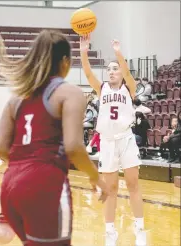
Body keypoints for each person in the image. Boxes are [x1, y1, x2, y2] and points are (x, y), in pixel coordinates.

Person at [0, 30, 109, 246]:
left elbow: (1, 148)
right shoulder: (69, 92)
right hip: (45, 185)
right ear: (64, 61)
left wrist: (24, 164)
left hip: (11, 185)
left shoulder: (17, 98)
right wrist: (95, 176)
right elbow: (73, 146)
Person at [80, 35, 146, 246]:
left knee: (133, 184)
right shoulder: (102, 89)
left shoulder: (129, 88)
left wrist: (118, 53)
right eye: (109, 69)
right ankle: (110, 232)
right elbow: (88, 73)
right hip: (108, 142)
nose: (111, 71)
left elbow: (127, 71)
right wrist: (84, 50)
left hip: (126, 139)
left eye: (114, 68)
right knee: (110, 189)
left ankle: (140, 228)